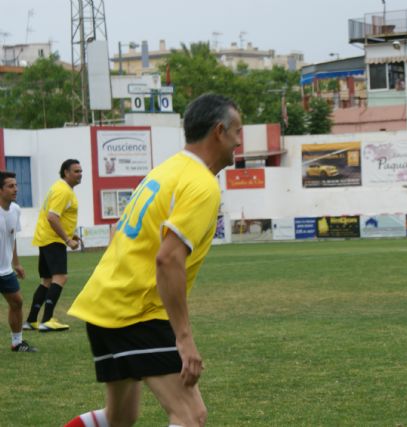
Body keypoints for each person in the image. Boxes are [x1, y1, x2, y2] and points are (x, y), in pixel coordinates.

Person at [64, 93, 242, 427]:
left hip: (104, 304)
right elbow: (168, 259)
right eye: (237, 132)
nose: (239, 142)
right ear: (219, 131)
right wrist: (184, 339)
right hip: (136, 311)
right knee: (191, 416)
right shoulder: (202, 184)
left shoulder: (166, 170)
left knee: (119, 419)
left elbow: (124, 233)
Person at [23, 159, 82, 332]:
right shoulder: (63, 191)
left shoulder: (60, 187)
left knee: (47, 281)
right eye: (76, 171)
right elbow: (52, 217)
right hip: (53, 239)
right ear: (66, 172)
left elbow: (57, 216)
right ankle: (47, 320)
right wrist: (67, 239)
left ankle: (31, 320)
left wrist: (70, 233)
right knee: (60, 277)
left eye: (80, 171)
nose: (80, 174)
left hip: (46, 238)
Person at [0, 171, 37, 352]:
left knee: (17, 302)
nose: (16, 189)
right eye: (10, 186)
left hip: (5, 269)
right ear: (0, 190)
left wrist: (16, 263)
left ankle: (17, 343)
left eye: (16, 185)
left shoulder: (15, 209)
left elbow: (12, 236)